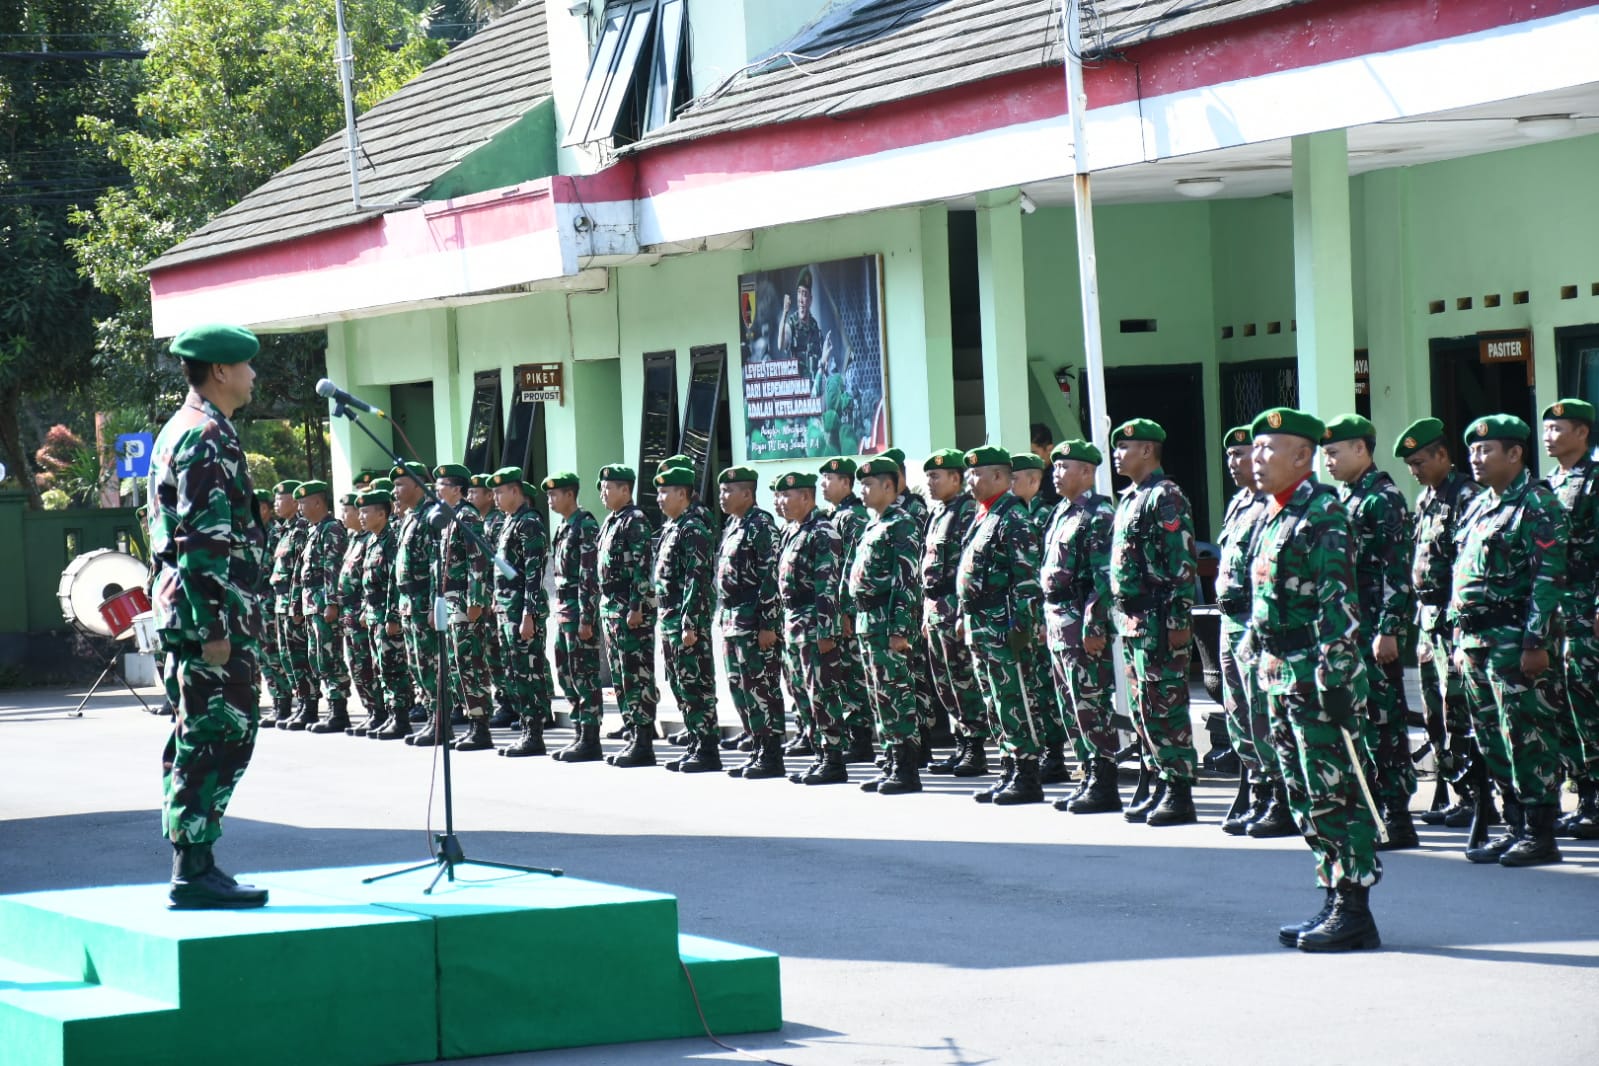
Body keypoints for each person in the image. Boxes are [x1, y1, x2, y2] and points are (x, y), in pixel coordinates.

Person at [1248, 407, 1382, 952]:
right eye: (1255, 449)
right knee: (1306, 793)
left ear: (1302, 456)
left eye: (1269, 449)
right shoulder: (1275, 514)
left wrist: (1337, 680)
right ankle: (1331, 895)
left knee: (1336, 792)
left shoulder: (1321, 512)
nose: (1257, 460)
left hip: (1316, 675)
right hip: (1282, 673)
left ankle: (1355, 908)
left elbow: (1338, 607)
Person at [148, 323, 269, 909]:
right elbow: (203, 539)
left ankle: (196, 860)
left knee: (206, 732)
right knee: (218, 733)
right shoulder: (203, 436)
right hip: (206, 618)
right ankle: (192, 867)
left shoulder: (187, 429)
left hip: (197, 612)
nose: (252, 375)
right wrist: (215, 626)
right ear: (219, 371)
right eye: (245, 365)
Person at [1451, 414, 1569, 867]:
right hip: (1478, 641)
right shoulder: (1482, 505)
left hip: (1515, 638)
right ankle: (1515, 825)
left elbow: (1548, 578)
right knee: (1491, 737)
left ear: (1515, 454)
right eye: (1473, 451)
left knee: (1527, 735)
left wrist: (1535, 642)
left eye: (1486, 451)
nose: (1476, 459)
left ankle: (1540, 832)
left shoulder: (1536, 504)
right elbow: (1463, 576)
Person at [1322, 414, 1418, 849]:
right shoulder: (1346, 497)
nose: (1329, 460)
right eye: (1325, 453)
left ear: (1361, 449)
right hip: (1352, 630)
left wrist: (1390, 630)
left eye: (1335, 451)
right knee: (1362, 722)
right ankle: (1375, 809)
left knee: (1385, 721)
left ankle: (1398, 816)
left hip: (1377, 629)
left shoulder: (1383, 498)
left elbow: (1399, 572)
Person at [1109, 419, 1200, 826]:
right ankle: (1160, 780)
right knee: (1144, 706)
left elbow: (1181, 565)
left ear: (1147, 451)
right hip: (1135, 619)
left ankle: (1179, 789)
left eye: (1124, 447)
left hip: (1160, 617)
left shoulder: (1166, 497)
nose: (1117, 454)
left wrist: (1179, 618)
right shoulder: (1131, 497)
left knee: (1166, 705)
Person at [1396, 419, 1482, 827]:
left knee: (1458, 709)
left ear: (1443, 456)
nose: (1415, 470)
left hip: (1454, 620)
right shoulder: (1425, 499)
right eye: (1410, 465)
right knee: (1434, 710)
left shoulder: (1467, 496)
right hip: (1428, 621)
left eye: (1420, 461)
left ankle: (1475, 795)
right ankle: (1452, 788)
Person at [1212, 427, 1292, 837]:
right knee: (1239, 713)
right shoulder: (1240, 502)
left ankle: (1280, 794)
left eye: (1242, 454)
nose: (1235, 463)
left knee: (1263, 711)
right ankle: (1258, 789)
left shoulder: (1271, 505)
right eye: (1230, 456)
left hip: (1254, 622)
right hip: (1229, 620)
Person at [959, 446, 1045, 805]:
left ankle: (1027, 774)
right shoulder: (984, 515)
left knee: (1014, 698)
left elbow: (1026, 581)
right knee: (994, 700)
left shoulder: (1013, 518)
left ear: (998, 478)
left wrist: (1023, 630)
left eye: (976, 473)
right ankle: (1008, 766)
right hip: (982, 625)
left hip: (1005, 627)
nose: (969, 479)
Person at [1041, 439, 1121, 814]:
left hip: (1080, 619)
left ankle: (1104, 779)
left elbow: (1103, 579)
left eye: (1064, 467)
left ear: (1087, 472)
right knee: (1070, 702)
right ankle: (1087, 772)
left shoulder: (1098, 514)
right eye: (1055, 467)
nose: (1056, 474)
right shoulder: (1062, 512)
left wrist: (1094, 625)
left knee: (1090, 701)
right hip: (1058, 619)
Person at [1541, 399, 1599, 839]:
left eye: (1558, 428)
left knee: (1589, 703)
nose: (1549, 436)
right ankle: (1581, 793)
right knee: (1562, 705)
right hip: (1558, 609)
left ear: (1582, 432)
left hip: (1586, 607)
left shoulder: (1595, 482)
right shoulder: (1549, 485)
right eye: (1547, 429)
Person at [849, 456, 923, 794]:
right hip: (867, 622)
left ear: (889, 487)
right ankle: (892, 760)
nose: (862, 491)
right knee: (879, 696)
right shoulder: (873, 524)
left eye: (868, 485)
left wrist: (899, 629)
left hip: (886, 621)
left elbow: (905, 581)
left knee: (897, 694)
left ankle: (907, 768)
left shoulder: (901, 524)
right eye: (861, 485)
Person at [774, 470, 849, 785]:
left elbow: (827, 587)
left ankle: (833, 759)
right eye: (779, 496)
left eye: (787, 495)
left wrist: (826, 631)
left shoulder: (822, 532)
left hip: (813, 625)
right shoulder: (793, 530)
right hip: (793, 623)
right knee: (801, 692)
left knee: (822, 692)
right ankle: (819, 754)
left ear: (806, 497)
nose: (781, 502)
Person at [920, 449, 988, 778]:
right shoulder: (937, 513)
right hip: (934, 608)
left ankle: (975, 748)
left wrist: (961, 612)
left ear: (955, 479)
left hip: (952, 605)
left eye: (936, 476)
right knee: (944, 682)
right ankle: (960, 743)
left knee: (963, 680)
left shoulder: (966, 511)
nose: (930, 483)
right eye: (928, 477)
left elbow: (965, 567)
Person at [716, 466, 786, 779]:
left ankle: (771, 754)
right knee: (740, 687)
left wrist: (768, 623)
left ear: (747, 493)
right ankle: (757, 747)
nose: (722, 496)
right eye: (721, 491)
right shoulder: (734, 524)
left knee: (762, 688)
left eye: (728, 491)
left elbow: (770, 577)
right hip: (733, 619)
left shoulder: (761, 525)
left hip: (754, 619)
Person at [650, 465, 717, 772]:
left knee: (696, 684)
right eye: (659, 492)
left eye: (665, 492)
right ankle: (694, 741)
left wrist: (690, 621)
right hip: (669, 617)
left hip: (686, 619)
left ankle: (706, 749)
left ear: (682, 494)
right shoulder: (672, 527)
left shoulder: (692, 529)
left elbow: (697, 578)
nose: (659, 498)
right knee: (680, 682)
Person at [1010, 451, 1070, 784]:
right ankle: (1043, 748)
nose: (1010, 485)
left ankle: (1054, 753)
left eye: (1015, 478)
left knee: (1046, 686)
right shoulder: (1015, 514)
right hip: (1026, 614)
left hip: (1041, 613)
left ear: (1033, 480)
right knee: (1032, 685)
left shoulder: (1045, 514)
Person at [487, 468, 552, 758]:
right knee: (514, 671)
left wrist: (529, 613)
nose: (495, 497)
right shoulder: (509, 522)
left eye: (500, 492)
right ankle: (526, 728)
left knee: (529, 673)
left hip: (522, 612)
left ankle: (534, 733)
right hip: (507, 611)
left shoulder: (529, 523)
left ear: (515, 492)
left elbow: (534, 573)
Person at [594, 465, 659, 754]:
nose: (603, 493)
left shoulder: (635, 521)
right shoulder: (612, 521)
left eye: (608, 488)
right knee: (620, 673)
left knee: (636, 673)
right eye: (602, 488)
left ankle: (643, 736)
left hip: (629, 607)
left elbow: (642, 569)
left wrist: (636, 607)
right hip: (610, 606)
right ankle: (631, 725)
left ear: (625, 490)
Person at [433, 464, 495, 752]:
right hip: (451, 598)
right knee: (458, 664)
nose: (436, 490)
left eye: (441, 485)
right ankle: (472, 720)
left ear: (457, 489)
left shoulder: (467, 516)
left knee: (470, 663)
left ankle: (481, 726)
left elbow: (478, 561)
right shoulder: (449, 517)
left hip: (465, 599)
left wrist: (476, 600)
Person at [544, 471, 604, 761]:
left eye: (555, 494)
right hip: (564, 610)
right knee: (566, 673)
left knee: (585, 675)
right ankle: (579, 730)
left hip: (579, 610)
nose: (551, 500)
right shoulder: (562, 527)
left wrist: (587, 618)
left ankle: (591, 738)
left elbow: (589, 576)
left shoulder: (585, 525)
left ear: (570, 495)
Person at [820, 456, 875, 761]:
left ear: (846, 483)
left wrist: (844, 610)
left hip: (846, 613)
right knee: (841, 674)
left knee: (852, 675)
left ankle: (861, 739)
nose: (823, 485)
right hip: (835, 609)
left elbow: (850, 567)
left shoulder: (851, 517)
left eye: (829, 479)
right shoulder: (835, 515)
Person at [288, 480, 349, 733]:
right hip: (312, 603)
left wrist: (332, 602)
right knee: (316, 657)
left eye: (303, 502)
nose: (299, 507)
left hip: (324, 603)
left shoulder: (331, 529)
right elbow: (301, 573)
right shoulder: (313, 530)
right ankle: (329, 708)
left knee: (329, 657)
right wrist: (297, 603)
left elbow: (333, 568)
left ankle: (339, 710)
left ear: (317, 502)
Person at [391, 462, 444, 746]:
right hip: (409, 601)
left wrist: (435, 603)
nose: (396, 491)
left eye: (401, 485)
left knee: (431, 664)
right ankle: (431, 719)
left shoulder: (430, 516)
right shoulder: (410, 517)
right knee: (418, 666)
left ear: (418, 485)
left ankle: (441, 722)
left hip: (424, 600)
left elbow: (437, 564)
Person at [356, 485, 413, 740]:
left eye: (366, 512)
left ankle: (401, 718)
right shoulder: (371, 540)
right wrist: (366, 610)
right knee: (380, 667)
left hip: (386, 615)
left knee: (393, 667)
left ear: (382, 514)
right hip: (373, 613)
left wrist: (392, 616)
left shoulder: (391, 540)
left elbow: (394, 581)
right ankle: (390, 714)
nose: (361, 517)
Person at [469, 473, 513, 729]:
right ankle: (505, 699)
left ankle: (510, 702)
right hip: (489, 599)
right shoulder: (482, 522)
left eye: (477, 492)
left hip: (500, 599)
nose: (472, 496)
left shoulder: (497, 523)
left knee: (501, 653)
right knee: (493, 653)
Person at [334, 491, 381, 735]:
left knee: (367, 663)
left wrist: (364, 608)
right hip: (349, 611)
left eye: (348, 510)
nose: (347, 515)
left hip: (362, 610)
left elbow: (369, 580)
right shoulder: (354, 539)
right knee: (356, 663)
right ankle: (371, 710)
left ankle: (380, 711)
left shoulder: (369, 540)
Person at [264, 479, 308, 727]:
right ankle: (297, 705)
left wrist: (296, 604)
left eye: (281, 499)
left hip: (294, 603)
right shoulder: (284, 531)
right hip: (279, 601)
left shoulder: (300, 529)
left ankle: (306, 705)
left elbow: (299, 573)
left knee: (299, 656)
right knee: (285, 656)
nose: (276, 504)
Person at [1031, 423, 1061, 509]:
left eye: (1033, 453)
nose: (1030, 458)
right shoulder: (1026, 474)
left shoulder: (1060, 476)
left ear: (1049, 449)